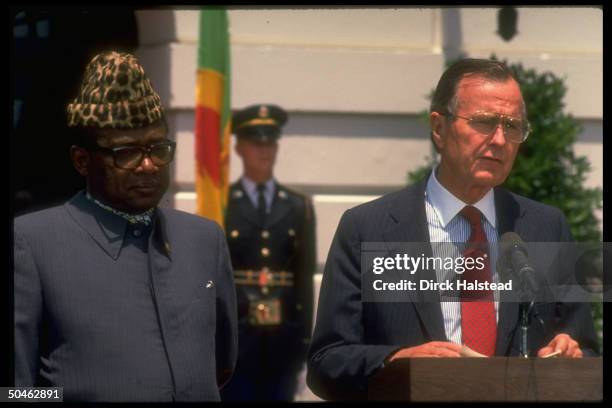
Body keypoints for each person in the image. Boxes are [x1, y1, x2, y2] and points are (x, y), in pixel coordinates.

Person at [306, 58, 598, 400]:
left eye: (513, 126)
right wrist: (395, 362)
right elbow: (326, 363)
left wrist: (570, 356)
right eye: (484, 122)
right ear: (439, 128)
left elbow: (588, 355)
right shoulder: (368, 228)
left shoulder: (546, 227)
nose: (500, 140)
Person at [13, 51, 238, 402]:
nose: (148, 165)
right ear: (82, 160)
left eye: (158, 148)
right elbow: (15, 392)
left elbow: (221, 365)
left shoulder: (204, 239)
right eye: (127, 152)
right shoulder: (32, 242)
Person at [220, 104, 316, 401]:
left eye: (270, 142)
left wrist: (303, 342)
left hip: (283, 339)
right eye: (256, 142)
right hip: (237, 337)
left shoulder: (298, 206)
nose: (264, 150)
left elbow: (303, 278)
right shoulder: (222, 203)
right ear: (238, 148)